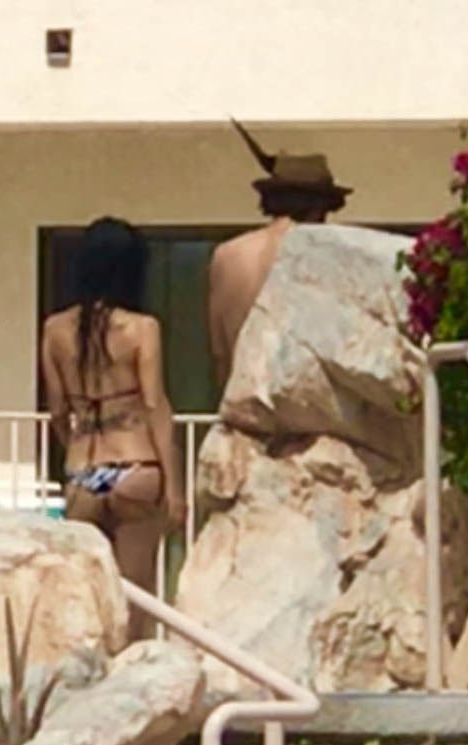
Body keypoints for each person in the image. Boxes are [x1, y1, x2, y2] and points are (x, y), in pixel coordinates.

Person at [41, 217, 184, 640]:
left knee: (90, 603)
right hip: (134, 467)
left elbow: (57, 411)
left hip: (85, 472)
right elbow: (154, 406)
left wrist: (74, 452)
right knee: (136, 601)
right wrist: (174, 487)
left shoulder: (55, 330)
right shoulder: (141, 328)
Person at [208, 120, 353, 388]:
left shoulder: (225, 256)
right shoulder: (321, 252)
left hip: (240, 399)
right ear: (319, 207)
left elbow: (219, 354)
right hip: (301, 402)